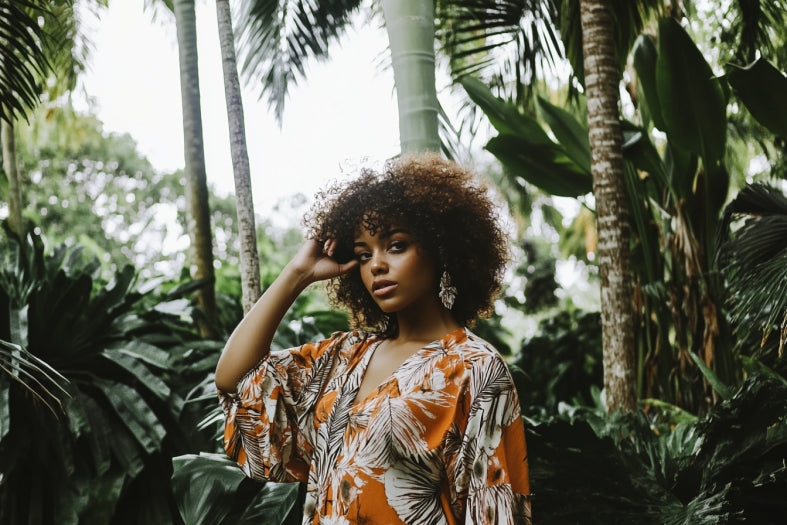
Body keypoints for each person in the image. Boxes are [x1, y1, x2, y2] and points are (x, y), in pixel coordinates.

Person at [215, 152, 532, 525]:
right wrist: (297, 274)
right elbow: (235, 380)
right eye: (364, 254)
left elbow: (493, 509)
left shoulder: (475, 368)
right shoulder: (346, 356)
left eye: (396, 245)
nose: (377, 265)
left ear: (442, 249)